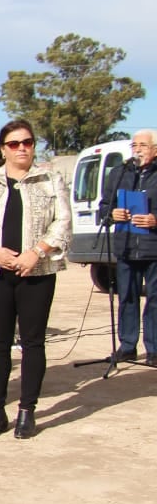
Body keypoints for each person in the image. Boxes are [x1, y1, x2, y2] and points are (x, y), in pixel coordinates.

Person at [0, 120, 71, 439]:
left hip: (36, 272)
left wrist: (36, 252)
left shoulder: (50, 178)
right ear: (3, 149)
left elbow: (63, 222)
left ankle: (27, 411)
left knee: (33, 342)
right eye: (14, 143)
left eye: (27, 142)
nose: (22, 148)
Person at [96, 129, 157, 366]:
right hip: (126, 247)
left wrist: (154, 219)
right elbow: (103, 207)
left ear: (154, 149)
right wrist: (113, 213)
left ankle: (154, 349)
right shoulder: (120, 173)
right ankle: (127, 346)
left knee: (154, 299)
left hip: (153, 249)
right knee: (127, 297)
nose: (137, 149)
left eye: (142, 145)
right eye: (134, 145)